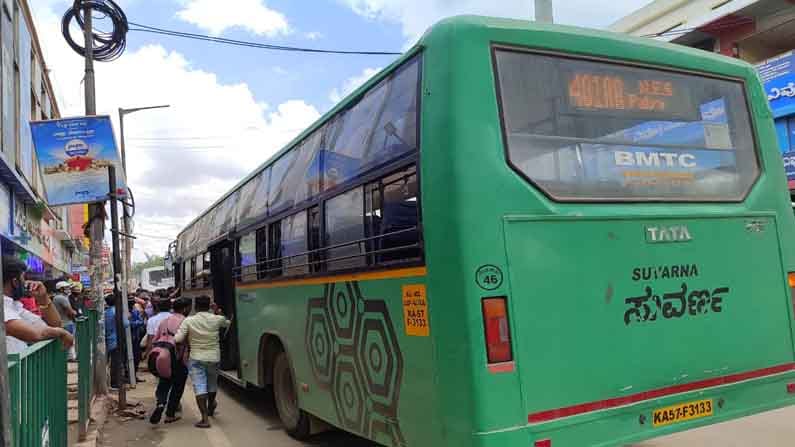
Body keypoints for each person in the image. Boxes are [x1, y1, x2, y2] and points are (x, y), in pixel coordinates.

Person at [175, 295, 230, 428]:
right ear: (209, 306)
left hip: (196, 358)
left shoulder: (189, 321)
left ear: (196, 306)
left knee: (200, 386)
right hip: (214, 357)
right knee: (212, 384)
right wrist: (217, 311)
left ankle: (205, 419)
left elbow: (178, 339)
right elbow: (227, 323)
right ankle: (211, 405)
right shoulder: (217, 319)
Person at [2, 256, 73, 354]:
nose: (25, 282)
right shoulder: (3, 309)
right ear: (15, 282)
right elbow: (35, 334)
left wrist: (43, 298)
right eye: (23, 278)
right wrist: (62, 333)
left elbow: (54, 324)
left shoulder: (14, 306)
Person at [150, 298, 192, 424]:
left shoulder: (164, 321)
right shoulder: (186, 322)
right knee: (177, 386)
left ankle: (160, 403)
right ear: (185, 308)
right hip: (179, 358)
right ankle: (170, 414)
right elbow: (188, 342)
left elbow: (155, 340)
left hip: (163, 356)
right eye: (189, 307)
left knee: (164, 382)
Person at [104, 294, 129, 390]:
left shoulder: (106, 312)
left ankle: (115, 381)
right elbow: (126, 324)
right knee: (117, 362)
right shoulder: (117, 311)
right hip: (117, 339)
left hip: (109, 339)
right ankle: (115, 382)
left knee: (113, 362)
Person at [53, 281, 78, 361]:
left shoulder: (60, 297)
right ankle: (70, 357)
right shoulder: (61, 298)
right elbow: (70, 311)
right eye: (66, 288)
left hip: (64, 322)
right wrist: (74, 313)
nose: (68, 289)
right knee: (69, 340)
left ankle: (69, 357)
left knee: (66, 341)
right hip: (66, 323)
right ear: (61, 289)